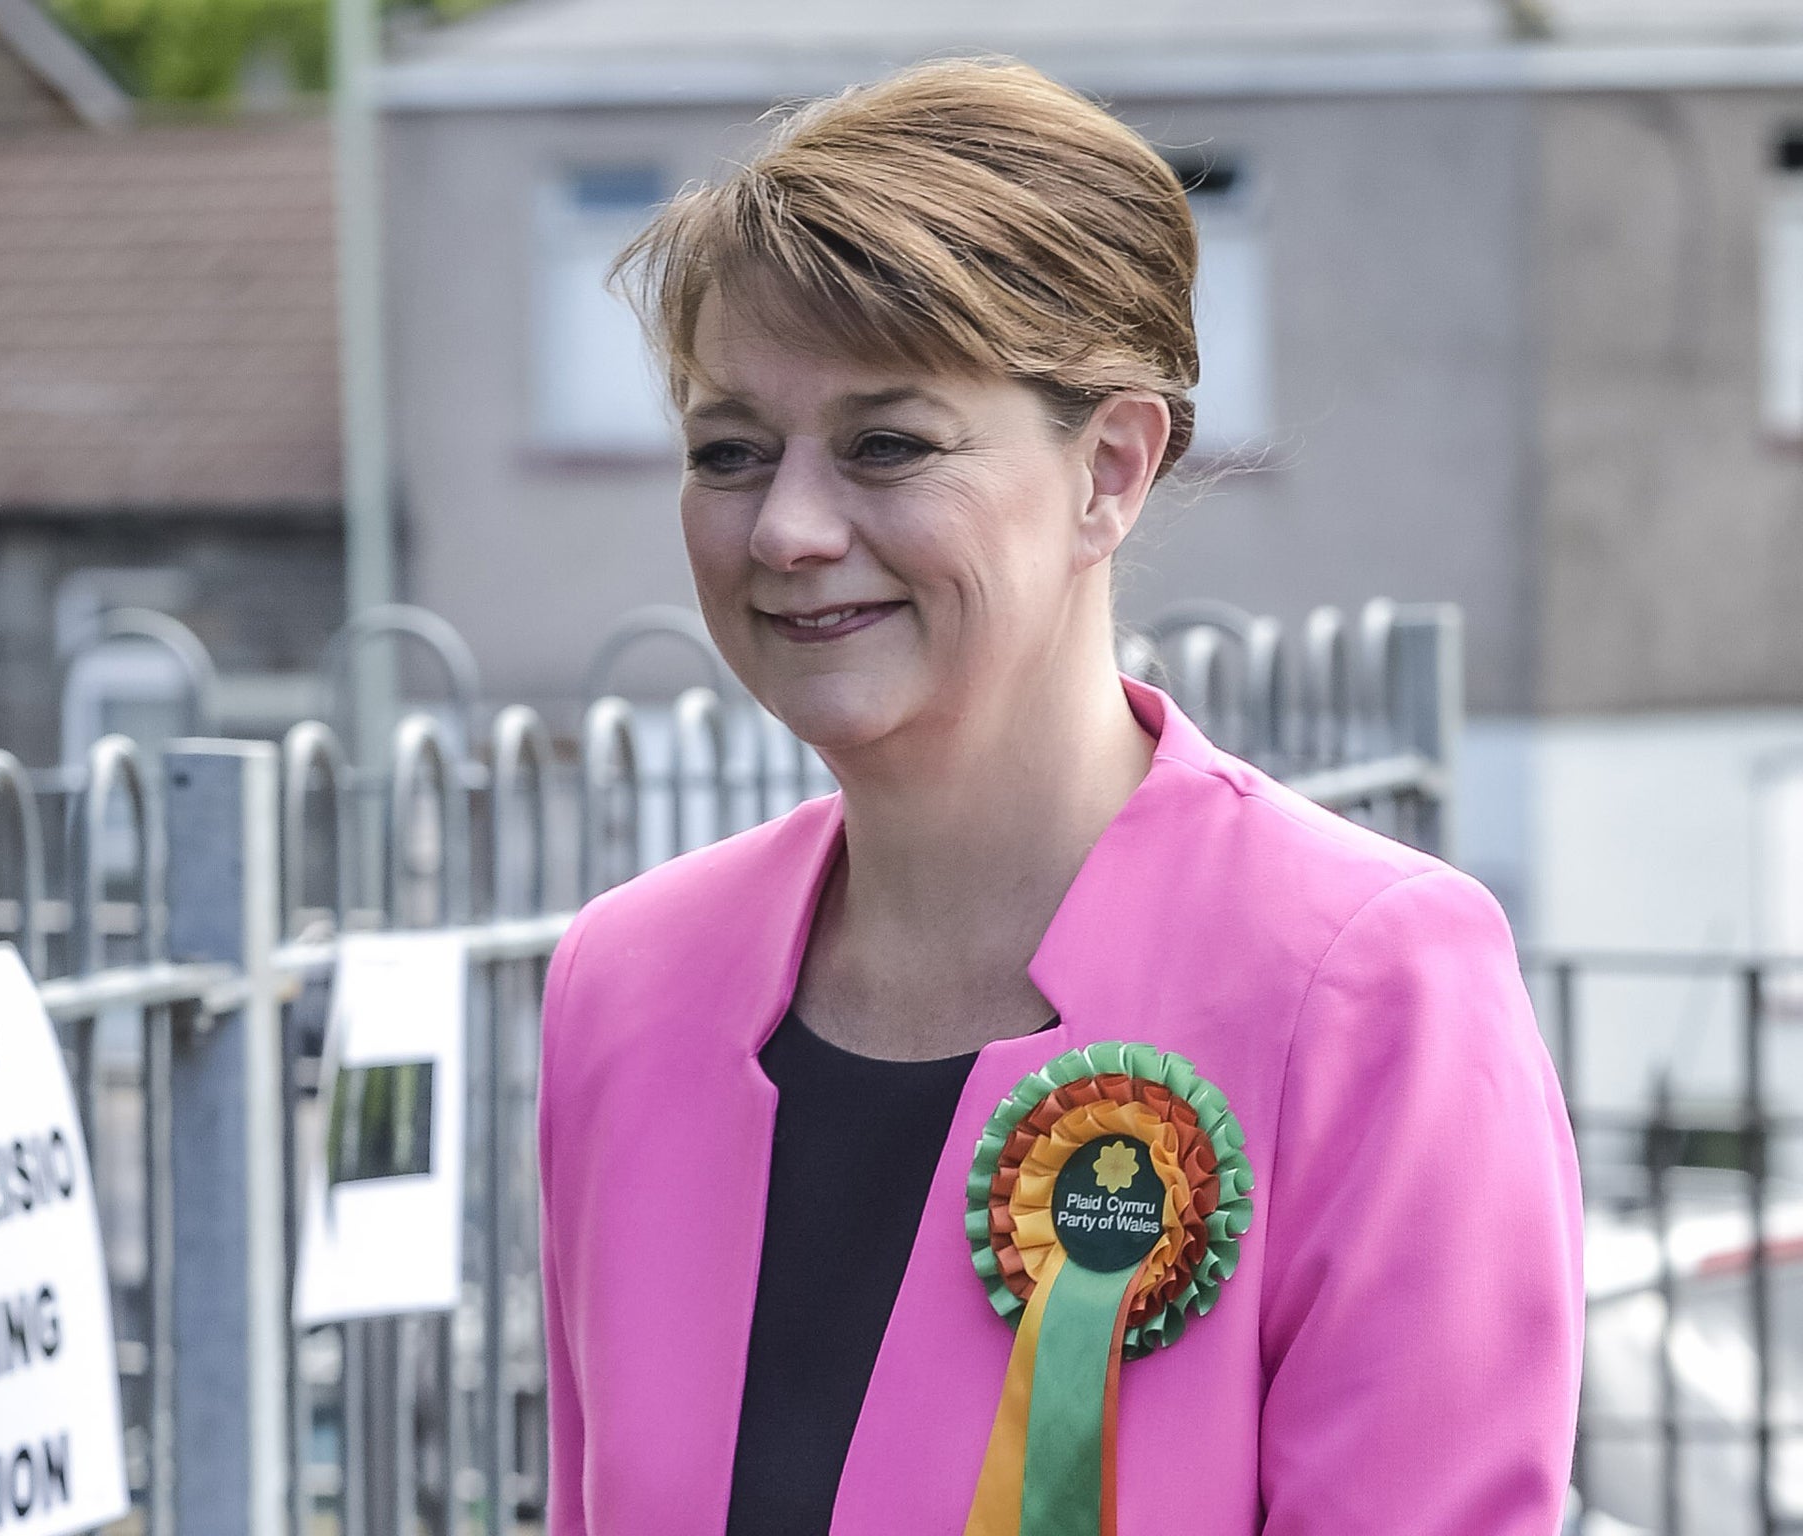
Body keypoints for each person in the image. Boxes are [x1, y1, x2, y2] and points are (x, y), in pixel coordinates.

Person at [536, 57, 1582, 1536]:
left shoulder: (1370, 986)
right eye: (729, 452)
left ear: (1110, 468)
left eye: (887, 444)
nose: (785, 526)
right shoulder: (623, 984)